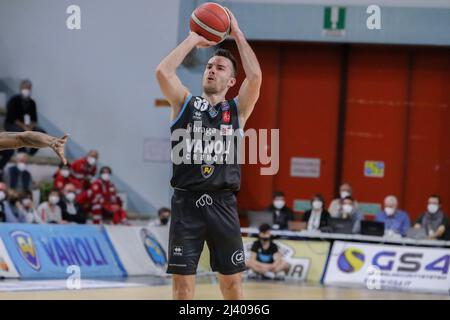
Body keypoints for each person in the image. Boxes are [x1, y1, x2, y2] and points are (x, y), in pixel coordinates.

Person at [156, 7, 261, 300]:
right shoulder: (183, 103)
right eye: (209, 66)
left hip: (223, 205)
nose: (212, 69)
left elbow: (255, 78)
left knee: (232, 286)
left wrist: (237, 34)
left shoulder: (237, 110)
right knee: (183, 289)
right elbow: (163, 72)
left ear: (231, 82)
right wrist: (193, 37)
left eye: (220, 68)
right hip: (186, 204)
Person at [4, 80, 48, 156]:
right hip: (11, 124)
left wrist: (30, 127)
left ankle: (31, 153)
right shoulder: (14, 100)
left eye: (28, 88)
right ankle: (22, 152)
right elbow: (12, 118)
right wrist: (24, 127)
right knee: (21, 132)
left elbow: (34, 119)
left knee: (42, 132)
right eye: (25, 88)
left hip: (27, 126)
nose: (26, 90)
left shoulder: (32, 103)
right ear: (21, 88)